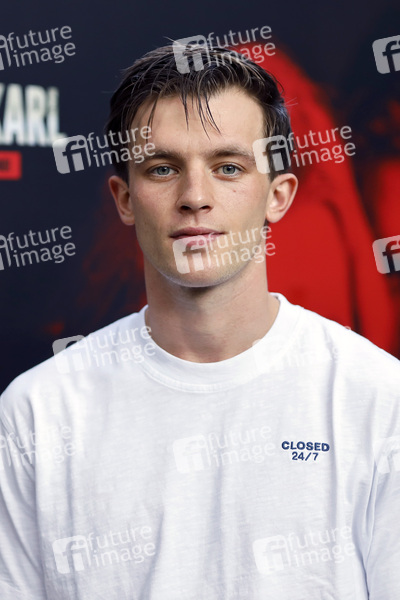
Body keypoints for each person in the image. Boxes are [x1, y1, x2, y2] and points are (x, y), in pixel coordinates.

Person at [0, 43, 399, 600]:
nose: (195, 197)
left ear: (278, 196)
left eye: (228, 167)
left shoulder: (379, 398)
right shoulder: (36, 413)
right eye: (163, 169)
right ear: (124, 199)